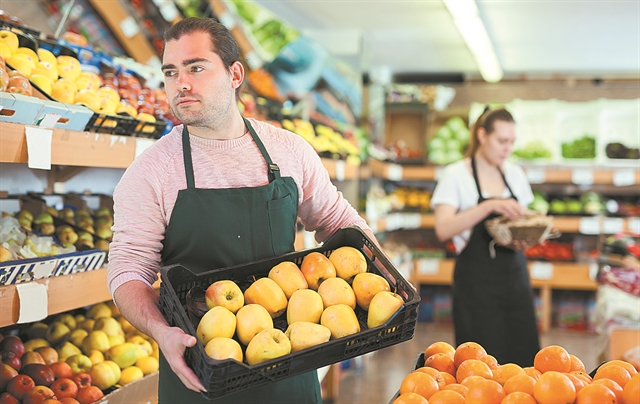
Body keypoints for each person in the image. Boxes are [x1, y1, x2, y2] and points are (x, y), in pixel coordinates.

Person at [106, 17, 375, 404]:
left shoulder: (289, 150)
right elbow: (128, 269)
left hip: (288, 356)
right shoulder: (151, 171)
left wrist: (379, 269)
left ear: (235, 74)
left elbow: (337, 221)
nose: (181, 83)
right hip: (202, 366)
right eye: (170, 72)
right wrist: (161, 331)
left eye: (196, 68)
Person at [430, 108, 540, 367]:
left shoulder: (515, 175)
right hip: (475, 286)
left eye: (512, 142)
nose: (507, 148)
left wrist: (521, 238)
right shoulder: (456, 175)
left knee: (523, 360)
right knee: (478, 365)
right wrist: (488, 206)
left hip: (515, 282)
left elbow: (523, 224)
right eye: (502, 141)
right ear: (482, 135)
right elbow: (442, 229)